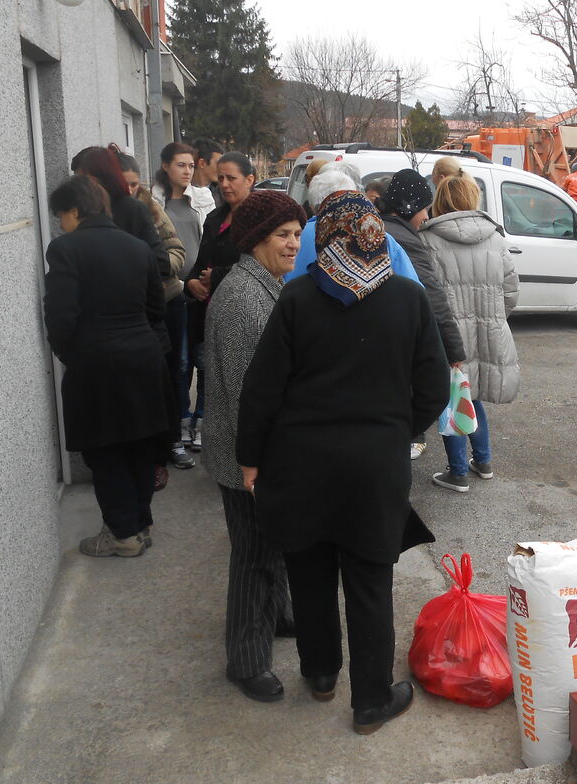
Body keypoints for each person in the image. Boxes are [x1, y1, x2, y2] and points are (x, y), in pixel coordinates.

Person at [235, 190, 449, 733]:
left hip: (299, 464)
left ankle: (321, 673)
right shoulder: (407, 297)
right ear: (375, 234)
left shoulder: (297, 296)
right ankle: (371, 701)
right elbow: (434, 385)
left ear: (325, 235)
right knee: (370, 583)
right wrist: (396, 429)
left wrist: (250, 459)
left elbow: (261, 390)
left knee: (308, 572)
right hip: (374, 469)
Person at [202, 190, 306, 702]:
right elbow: (249, 394)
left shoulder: (264, 285)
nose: (294, 244)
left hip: (255, 450)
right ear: (257, 238)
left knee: (272, 544)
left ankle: (279, 615)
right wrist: (259, 462)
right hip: (245, 455)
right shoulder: (245, 299)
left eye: (297, 233)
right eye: (283, 234)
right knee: (254, 555)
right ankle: (245, 660)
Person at [43, 175, 175, 557]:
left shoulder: (64, 249)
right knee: (139, 445)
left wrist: (70, 354)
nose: (60, 224)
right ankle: (140, 523)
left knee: (104, 450)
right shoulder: (138, 247)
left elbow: (61, 316)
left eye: (60, 216)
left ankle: (122, 534)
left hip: (96, 362)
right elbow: (156, 308)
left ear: (74, 210)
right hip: (144, 358)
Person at [419, 174, 519, 493]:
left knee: (453, 398)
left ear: (439, 201)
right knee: (471, 396)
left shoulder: (428, 240)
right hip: (487, 330)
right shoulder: (496, 238)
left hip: (449, 336)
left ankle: (458, 471)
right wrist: (493, 318)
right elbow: (511, 291)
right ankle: (484, 461)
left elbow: (426, 294)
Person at [377, 169, 467, 461]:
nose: (426, 216)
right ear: (409, 207)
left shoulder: (379, 226)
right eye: (424, 209)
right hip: (397, 341)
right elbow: (433, 297)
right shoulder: (404, 240)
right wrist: (454, 349)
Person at [115, 149, 194, 476]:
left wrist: (154, 270)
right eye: (124, 184)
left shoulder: (151, 209)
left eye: (135, 184)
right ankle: (150, 449)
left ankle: (174, 440)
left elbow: (176, 251)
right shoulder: (104, 215)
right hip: (131, 310)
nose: (130, 191)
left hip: (167, 299)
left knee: (173, 371)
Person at [184, 151, 256, 453]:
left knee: (240, 384)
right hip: (208, 311)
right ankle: (214, 438)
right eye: (221, 178)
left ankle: (242, 447)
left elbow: (260, 266)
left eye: (232, 178)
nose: (225, 184)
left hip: (242, 313)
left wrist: (217, 276)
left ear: (249, 180)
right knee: (210, 377)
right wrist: (191, 282)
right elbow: (201, 261)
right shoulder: (214, 217)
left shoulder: (260, 219)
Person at [153, 142, 216, 455]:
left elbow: (209, 242)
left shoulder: (203, 198)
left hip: (202, 291)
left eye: (191, 165)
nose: (187, 171)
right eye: (180, 165)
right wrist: (183, 282)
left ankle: (200, 423)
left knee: (204, 360)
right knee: (179, 363)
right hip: (172, 292)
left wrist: (202, 280)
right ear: (165, 166)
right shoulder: (153, 202)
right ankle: (180, 421)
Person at [285, 165, 421, 285]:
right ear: (353, 199)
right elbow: (414, 290)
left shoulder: (293, 238)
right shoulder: (379, 238)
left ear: (311, 207)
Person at [71, 146, 168, 280]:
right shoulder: (79, 212)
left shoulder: (133, 209)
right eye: (76, 180)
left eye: (84, 180)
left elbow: (161, 263)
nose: (79, 187)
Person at [191, 138, 225, 208]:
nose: (222, 169)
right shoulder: (180, 193)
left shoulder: (223, 194)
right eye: (218, 164)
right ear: (202, 163)